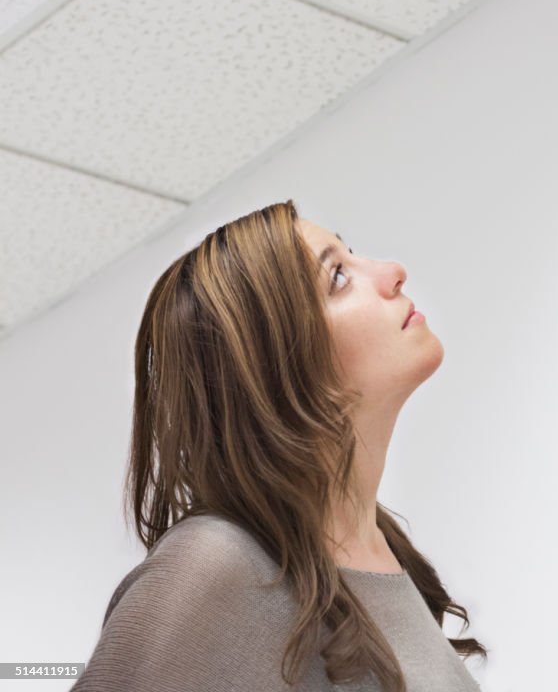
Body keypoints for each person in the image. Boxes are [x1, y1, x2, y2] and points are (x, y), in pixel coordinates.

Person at [72, 199, 487, 692]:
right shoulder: (217, 563)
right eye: (337, 277)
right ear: (274, 364)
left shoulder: (382, 549)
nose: (393, 272)